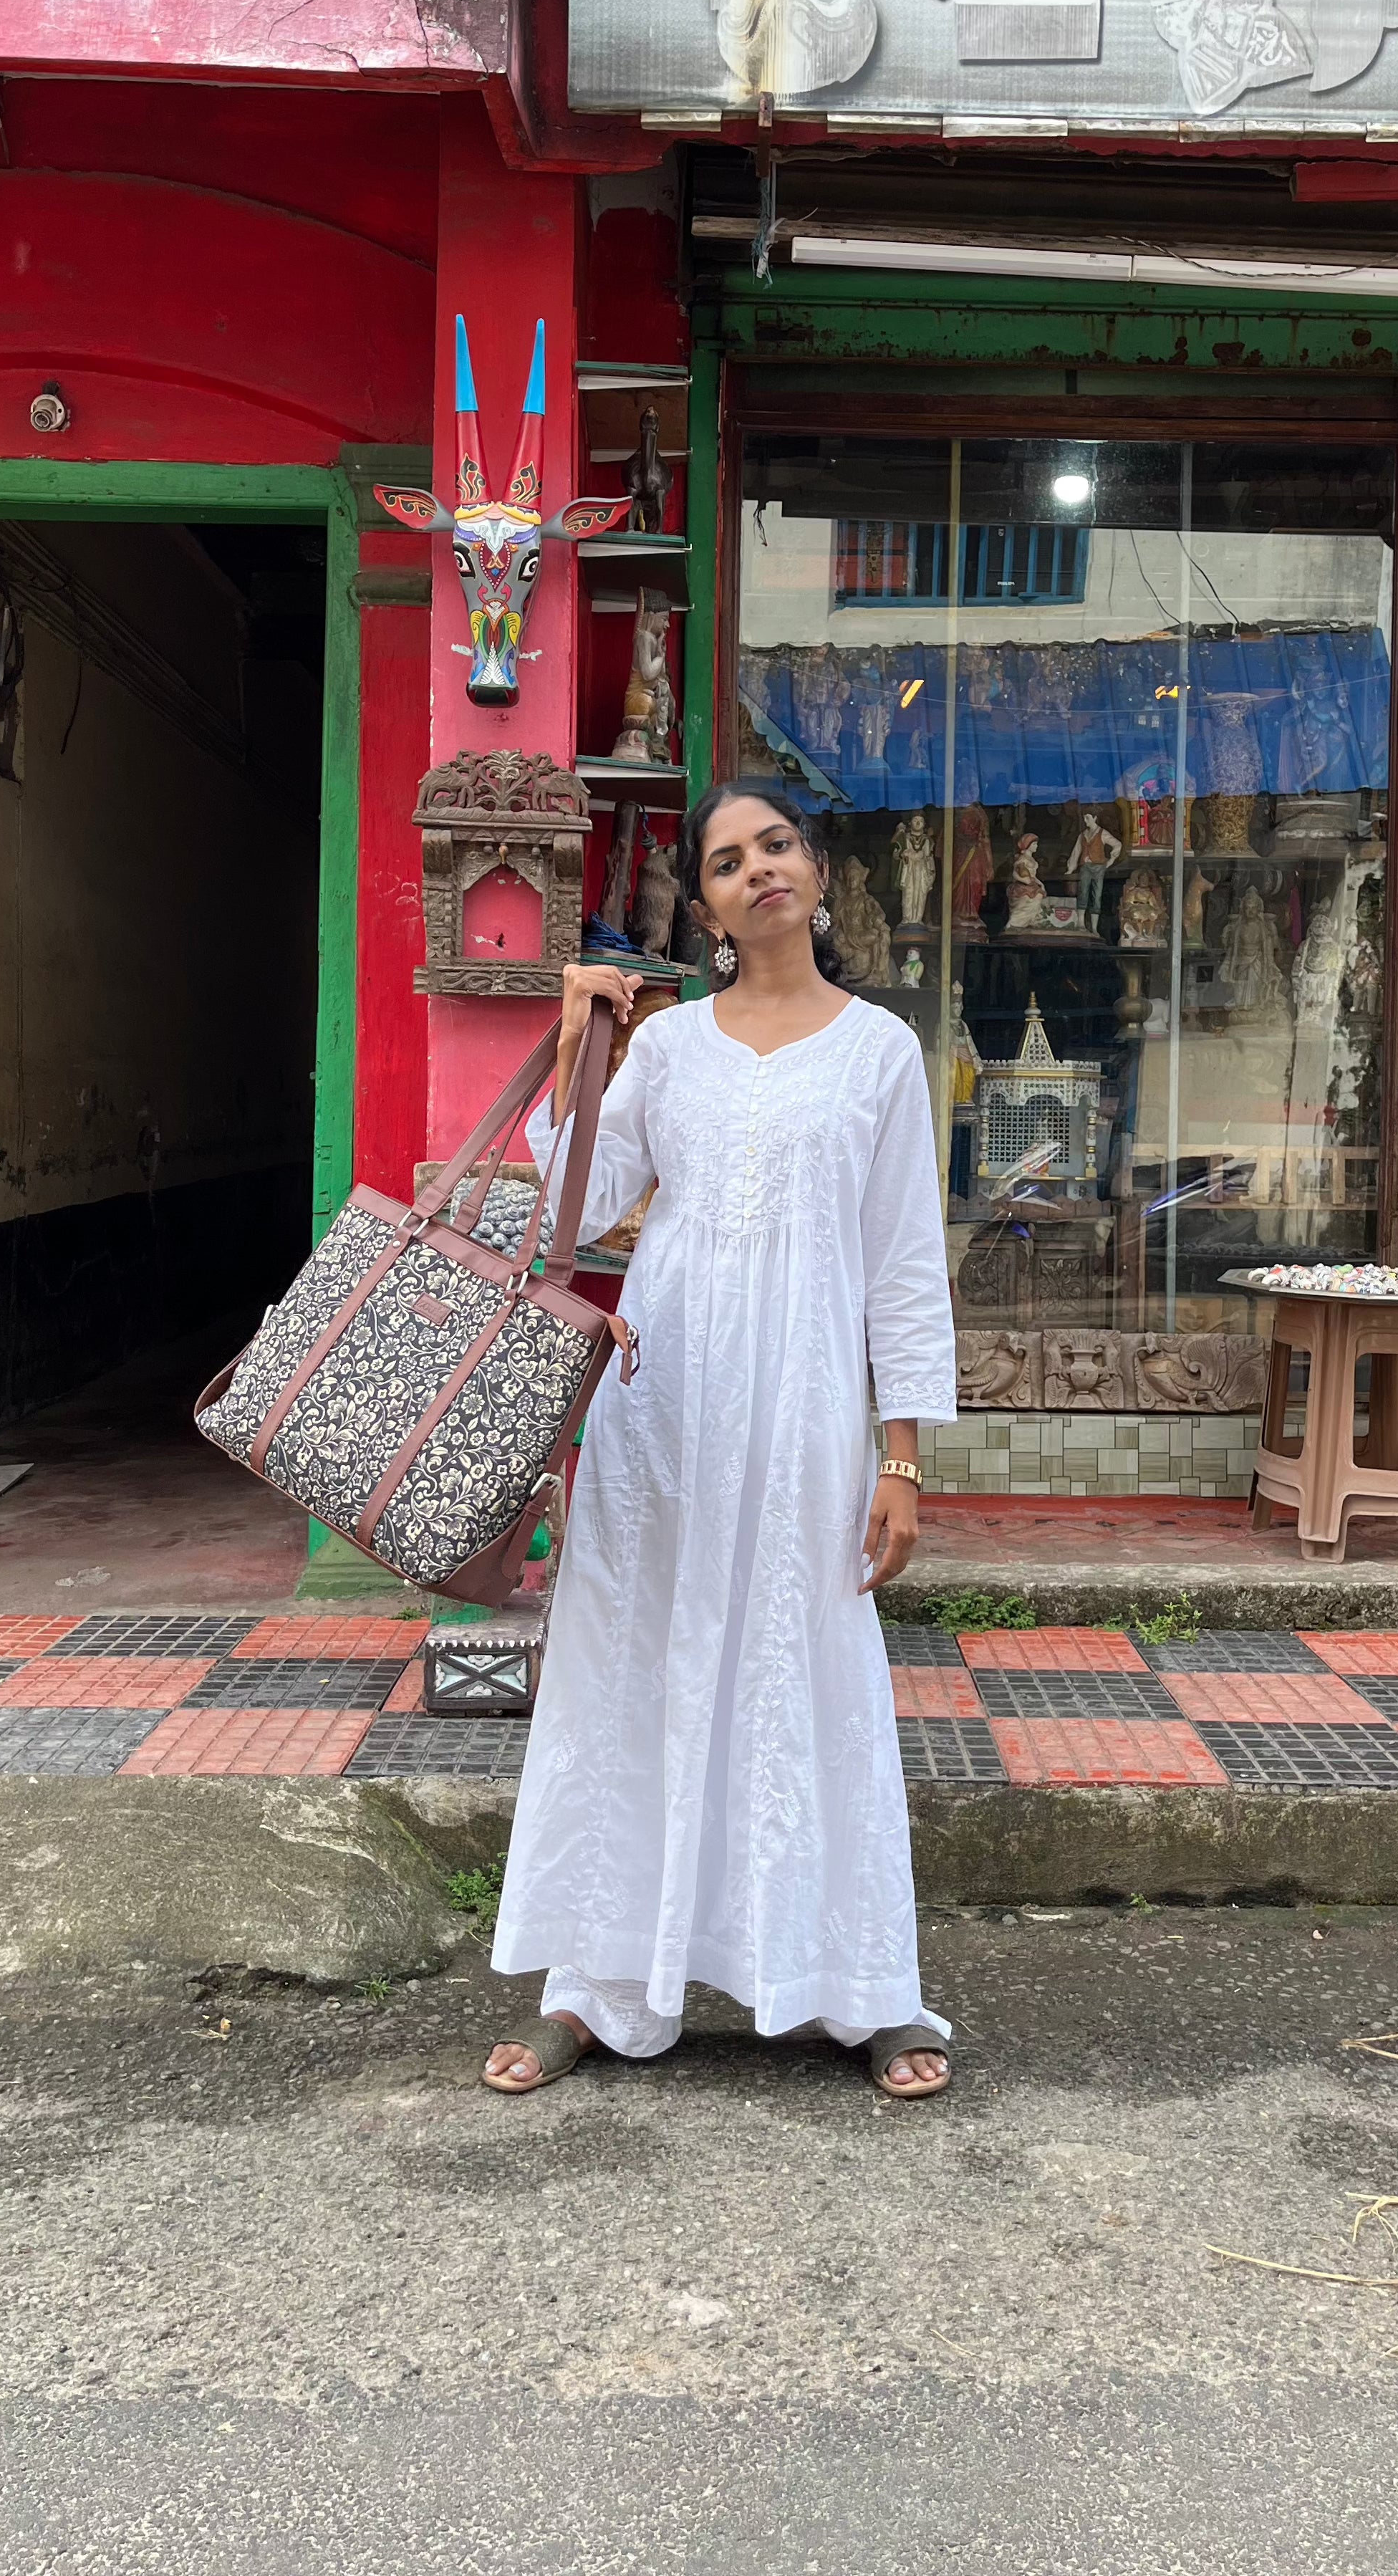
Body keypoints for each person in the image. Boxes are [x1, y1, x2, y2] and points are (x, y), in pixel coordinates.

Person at [481, 780, 960, 2102]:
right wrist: (585, 1040)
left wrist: (902, 1455)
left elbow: (906, 1269)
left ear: (814, 870)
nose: (760, 872)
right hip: (664, 1409)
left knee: (811, 1666)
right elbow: (584, 1194)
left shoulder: (877, 1054)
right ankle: (595, 1987)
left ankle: (862, 1989)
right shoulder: (674, 1047)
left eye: (779, 846)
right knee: (635, 1666)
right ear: (704, 908)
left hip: (807, 1412)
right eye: (730, 861)